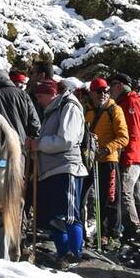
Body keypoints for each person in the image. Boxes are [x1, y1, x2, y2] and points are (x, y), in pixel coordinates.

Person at [30, 78, 88, 264]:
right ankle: (63, 255)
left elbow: (66, 139)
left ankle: (75, 255)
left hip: (66, 168)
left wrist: (39, 144)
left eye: (40, 96)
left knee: (69, 216)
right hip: (50, 171)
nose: (38, 101)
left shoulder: (69, 106)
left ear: (51, 93)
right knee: (55, 218)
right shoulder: (53, 110)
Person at [84, 77, 129, 242]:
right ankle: (95, 232)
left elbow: (124, 137)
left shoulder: (114, 110)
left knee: (110, 198)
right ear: (91, 93)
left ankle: (111, 235)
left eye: (105, 91)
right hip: (90, 161)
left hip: (109, 160)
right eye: (99, 91)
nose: (102, 94)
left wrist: (106, 149)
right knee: (86, 197)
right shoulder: (87, 110)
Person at [109, 73, 140, 240]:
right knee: (132, 192)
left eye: (113, 85)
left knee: (124, 191)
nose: (110, 89)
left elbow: (133, 132)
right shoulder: (125, 102)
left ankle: (134, 230)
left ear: (120, 85)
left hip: (131, 155)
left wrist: (128, 156)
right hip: (132, 154)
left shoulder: (130, 102)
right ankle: (137, 229)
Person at [0, 69, 40, 147]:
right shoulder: (23, 95)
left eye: (24, 83)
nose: (22, 85)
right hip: (20, 143)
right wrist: (34, 138)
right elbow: (34, 121)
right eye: (20, 82)